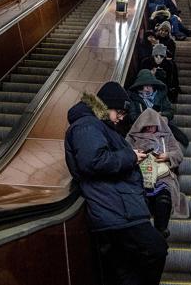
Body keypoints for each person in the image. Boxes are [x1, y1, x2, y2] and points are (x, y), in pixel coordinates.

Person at [64, 82, 168, 285]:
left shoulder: (97, 126)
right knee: (156, 250)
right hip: (115, 210)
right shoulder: (87, 125)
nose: (121, 117)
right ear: (105, 106)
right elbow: (93, 161)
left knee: (122, 272)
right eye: (119, 111)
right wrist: (130, 156)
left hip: (119, 208)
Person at [126, 108, 189, 238]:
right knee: (141, 199)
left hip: (162, 175)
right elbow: (124, 153)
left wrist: (167, 156)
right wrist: (135, 156)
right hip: (141, 175)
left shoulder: (166, 135)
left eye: (152, 126)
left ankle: (161, 229)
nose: (150, 129)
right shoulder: (132, 137)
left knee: (164, 196)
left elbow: (178, 154)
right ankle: (145, 232)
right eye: (147, 126)